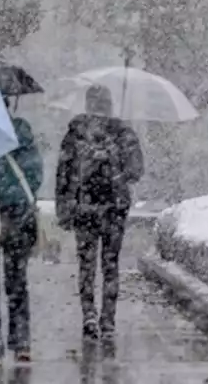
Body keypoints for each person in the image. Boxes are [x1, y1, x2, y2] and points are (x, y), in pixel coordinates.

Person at [55, 84, 145, 342]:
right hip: (114, 208)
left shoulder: (75, 133)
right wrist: (117, 162)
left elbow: (63, 173)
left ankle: (89, 316)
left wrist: (64, 208)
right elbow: (136, 171)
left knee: (86, 264)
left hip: (84, 207)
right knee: (110, 264)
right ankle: (108, 321)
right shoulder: (123, 132)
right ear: (110, 103)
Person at [0, 102, 44, 366]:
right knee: (17, 283)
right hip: (18, 216)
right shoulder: (21, 132)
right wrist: (17, 197)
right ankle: (21, 343)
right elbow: (35, 173)